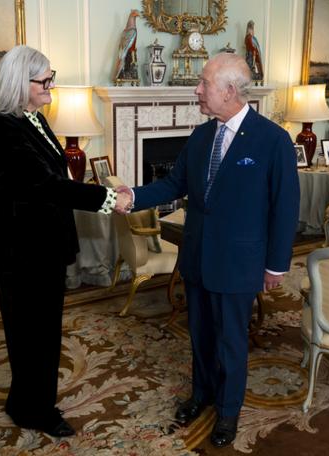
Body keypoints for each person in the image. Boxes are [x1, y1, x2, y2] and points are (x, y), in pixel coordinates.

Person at [117, 53, 299, 448]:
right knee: (199, 335)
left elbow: (285, 208)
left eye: (204, 83)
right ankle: (201, 395)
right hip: (197, 256)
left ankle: (229, 412)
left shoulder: (273, 140)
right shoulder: (201, 136)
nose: (197, 90)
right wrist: (133, 195)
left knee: (231, 341)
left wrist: (276, 266)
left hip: (239, 263)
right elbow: (172, 185)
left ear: (230, 91)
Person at [0, 45, 131, 438]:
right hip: (21, 251)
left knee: (44, 331)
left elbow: (58, 180)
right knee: (28, 334)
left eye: (51, 77)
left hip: (43, 246)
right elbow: (47, 185)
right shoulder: (1, 127)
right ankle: (35, 411)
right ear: (21, 82)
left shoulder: (35, 118)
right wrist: (110, 198)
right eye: (44, 80)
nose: (51, 85)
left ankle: (27, 402)